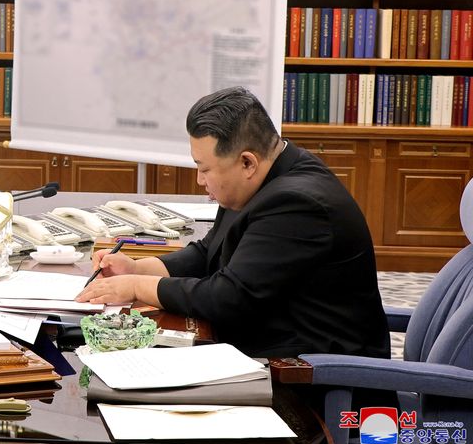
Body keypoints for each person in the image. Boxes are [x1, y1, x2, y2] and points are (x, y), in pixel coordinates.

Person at [77, 86, 390, 359]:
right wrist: (137, 268)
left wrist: (135, 287)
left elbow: (228, 297)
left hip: (307, 375)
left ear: (247, 162)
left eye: (205, 169)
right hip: (269, 344)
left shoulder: (297, 205)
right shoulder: (266, 177)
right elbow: (209, 250)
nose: (200, 180)